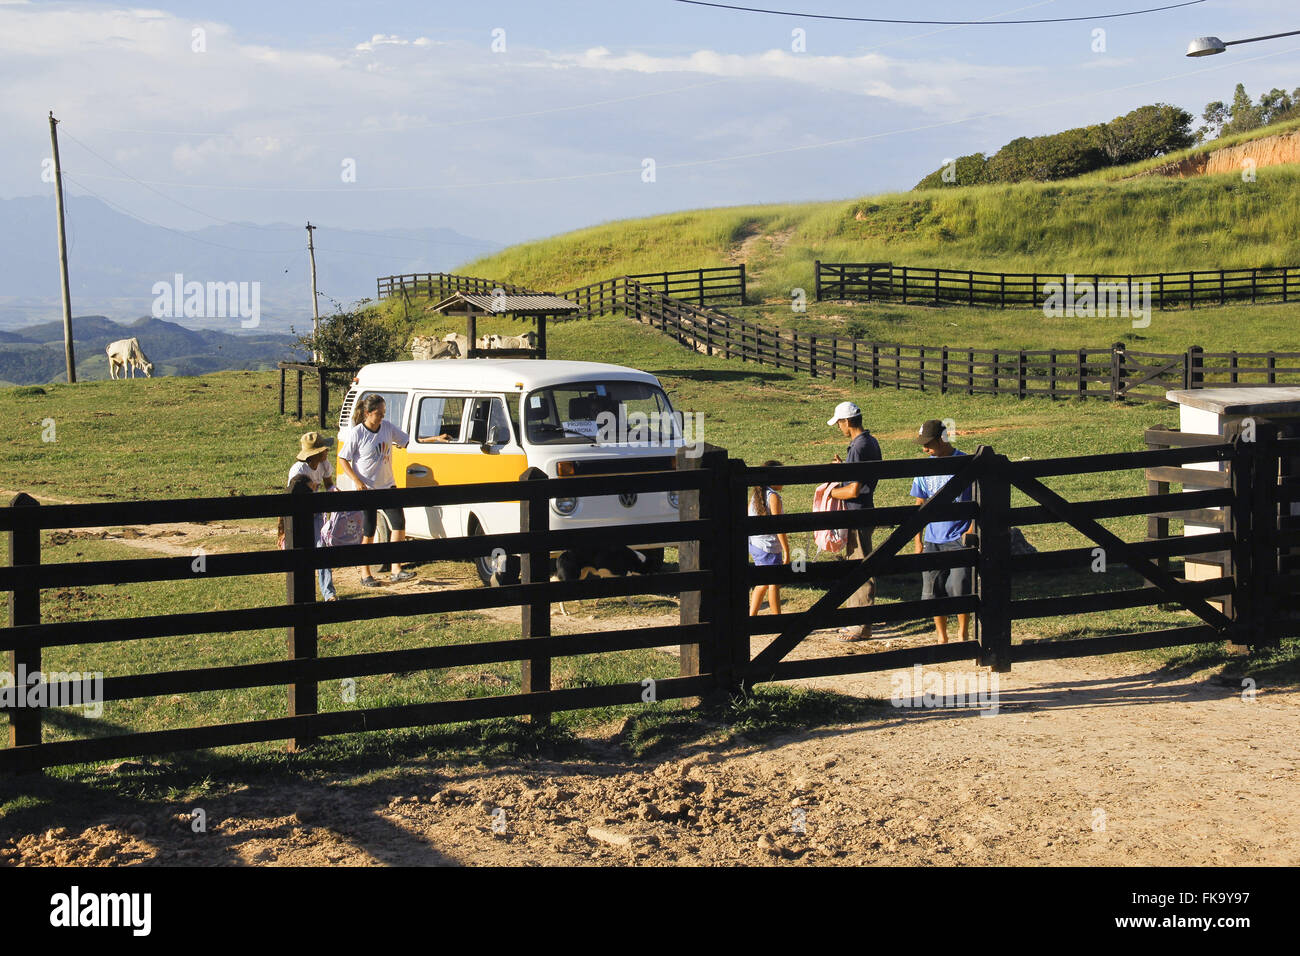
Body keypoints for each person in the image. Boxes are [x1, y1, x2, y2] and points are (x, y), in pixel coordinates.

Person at [338, 394, 416, 587]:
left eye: (383, 413)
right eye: (378, 413)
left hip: (388, 485)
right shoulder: (357, 433)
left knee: (399, 525)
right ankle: (365, 574)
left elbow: (407, 441)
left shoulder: (388, 427)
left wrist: (434, 439)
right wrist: (356, 481)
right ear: (367, 413)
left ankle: (396, 569)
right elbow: (343, 459)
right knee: (369, 531)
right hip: (367, 489)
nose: (382, 416)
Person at [909, 419, 975, 643]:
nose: (924, 449)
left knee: (959, 586)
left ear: (941, 439)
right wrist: (917, 539)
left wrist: (971, 530)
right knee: (933, 589)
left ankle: (963, 631)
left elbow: (978, 500)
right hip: (933, 537)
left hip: (958, 535)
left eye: (928, 443)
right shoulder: (924, 468)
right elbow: (920, 502)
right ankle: (941, 635)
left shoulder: (964, 463)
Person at [827, 401, 882, 641]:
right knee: (856, 565)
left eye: (839, 423)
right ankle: (855, 622)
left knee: (859, 567)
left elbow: (854, 490)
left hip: (856, 511)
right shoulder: (870, 441)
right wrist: (844, 468)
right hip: (864, 510)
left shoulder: (859, 446)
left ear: (846, 422)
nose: (839, 427)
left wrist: (830, 493)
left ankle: (861, 625)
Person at [277, 475, 336, 601]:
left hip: (316, 524)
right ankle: (301, 593)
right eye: (311, 487)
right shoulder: (292, 500)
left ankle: (328, 593)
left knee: (321, 551)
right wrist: (282, 534)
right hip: (301, 528)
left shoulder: (315, 499)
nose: (313, 490)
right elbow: (282, 519)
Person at [748, 461, 791, 616]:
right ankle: (776, 619)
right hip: (769, 547)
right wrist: (786, 550)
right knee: (774, 583)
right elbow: (778, 526)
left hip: (755, 544)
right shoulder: (773, 497)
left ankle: (751, 617)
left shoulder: (756, 496)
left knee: (763, 583)